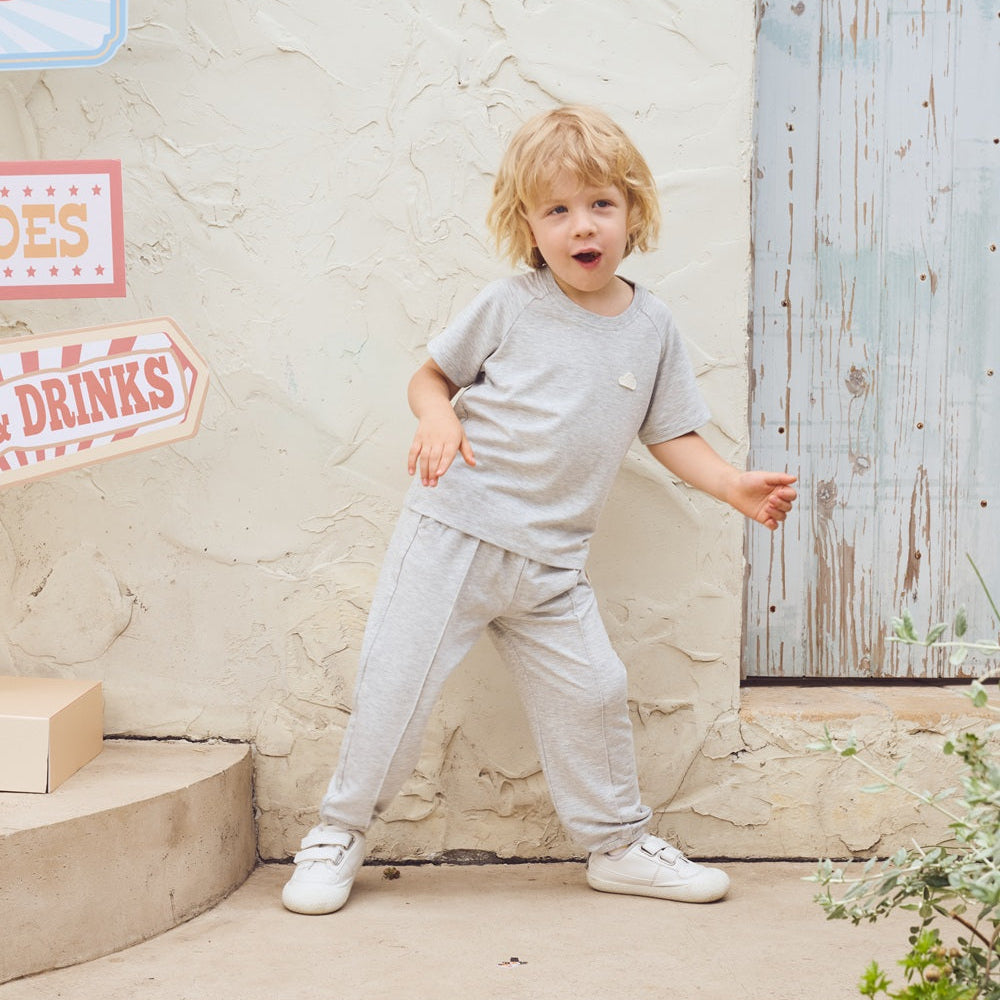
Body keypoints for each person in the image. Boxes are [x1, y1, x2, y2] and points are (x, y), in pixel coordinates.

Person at [281, 105, 797, 915]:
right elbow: (429, 379)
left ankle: (617, 844)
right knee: (395, 692)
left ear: (633, 212)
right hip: (455, 534)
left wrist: (731, 484)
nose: (580, 225)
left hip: (552, 563)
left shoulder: (652, 326)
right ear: (527, 224)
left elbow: (671, 432)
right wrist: (439, 415)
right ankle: (339, 832)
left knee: (593, 692)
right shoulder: (511, 304)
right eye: (556, 209)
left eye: (599, 204)